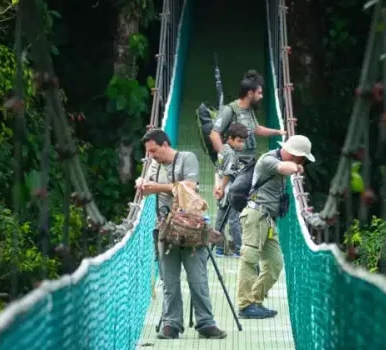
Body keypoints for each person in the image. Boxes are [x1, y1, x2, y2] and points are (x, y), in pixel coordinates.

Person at [135, 129, 227, 340]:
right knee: (169, 281)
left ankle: (205, 323)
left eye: (154, 150)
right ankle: (171, 324)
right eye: (148, 152)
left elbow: (190, 186)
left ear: (165, 144)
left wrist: (156, 187)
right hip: (165, 230)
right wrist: (140, 183)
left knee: (198, 279)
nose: (151, 155)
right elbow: (144, 185)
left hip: (191, 230)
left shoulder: (187, 158)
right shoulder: (153, 165)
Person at [236, 135, 315, 319]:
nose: (302, 161)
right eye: (301, 158)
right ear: (295, 155)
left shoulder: (283, 160)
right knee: (249, 260)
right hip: (255, 216)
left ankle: (255, 300)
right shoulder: (268, 159)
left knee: (275, 263)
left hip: (269, 219)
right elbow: (284, 167)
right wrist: (297, 167)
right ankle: (245, 305)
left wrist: (296, 165)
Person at [210, 69, 286, 165]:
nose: (261, 96)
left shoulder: (249, 110)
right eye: (259, 93)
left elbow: (257, 129)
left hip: (248, 162)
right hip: (234, 164)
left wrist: (278, 132)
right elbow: (214, 134)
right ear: (250, 94)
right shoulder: (229, 110)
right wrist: (225, 157)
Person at [213, 122, 249, 258]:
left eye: (243, 141)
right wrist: (221, 188)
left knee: (220, 221)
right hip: (231, 192)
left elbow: (218, 169)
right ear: (230, 139)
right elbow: (227, 173)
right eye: (239, 141)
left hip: (224, 192)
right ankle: (239, 250)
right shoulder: (232, 155)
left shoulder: (222, 151)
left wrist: (217, 186)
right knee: (234, 221)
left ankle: (219, 249)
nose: (242, 144)